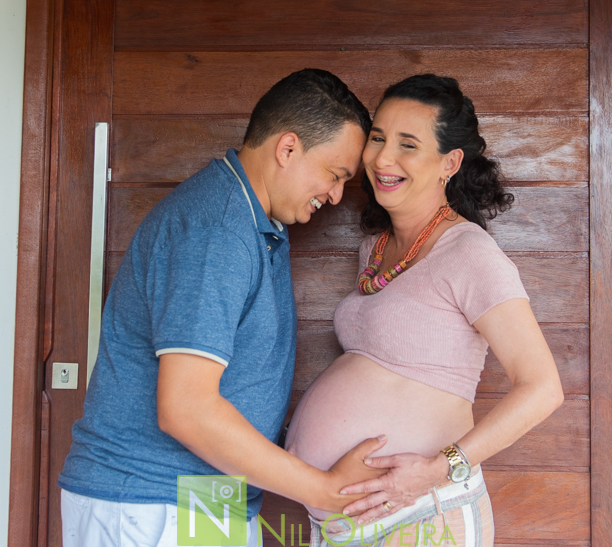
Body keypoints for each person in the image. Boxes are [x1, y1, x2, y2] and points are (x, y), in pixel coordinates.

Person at [59, 69, 387, 547]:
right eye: (335, 175)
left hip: (202, 498)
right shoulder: (218, 230)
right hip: (151, 501)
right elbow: (186, 409)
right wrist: (325, 490)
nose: (336, 195)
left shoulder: (253, 223)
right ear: (288, 148)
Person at [284, 74, 565, 547]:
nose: (382, 158)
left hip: (421, 518)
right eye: (378, 138)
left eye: (407, 144)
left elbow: (543, 389)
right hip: (344, 523)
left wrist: (438, 470)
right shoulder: (374, 249)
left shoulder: (469, 254)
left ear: (449, 162)